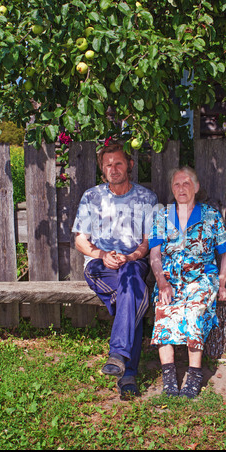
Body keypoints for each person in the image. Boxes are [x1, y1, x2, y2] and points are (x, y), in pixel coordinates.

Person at [72, 139, 158, 398]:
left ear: (129, 164)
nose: (114, 168)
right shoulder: (92, 197)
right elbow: (79, 240)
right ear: (103, 170)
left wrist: (132, 256)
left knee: (130, 284)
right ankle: (128, 372)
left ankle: (120, 360)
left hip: (133, 262)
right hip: (100, 266)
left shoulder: (147, 198)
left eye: (119, 163)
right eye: (108, 165)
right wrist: (102, 255)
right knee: (132, 295)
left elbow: (148, 241)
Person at [149, 166, 226, 399]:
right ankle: (169, 378)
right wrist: (162, 282)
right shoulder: (162, 215)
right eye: (176, 184)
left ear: (196, 187)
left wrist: (222, 281)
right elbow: (155, 255)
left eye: (186, 183)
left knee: (194, 313)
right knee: (163, 310)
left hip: (202, 279)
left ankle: (194, 375)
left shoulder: (210, 215)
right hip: (171, 280)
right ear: (172, 189)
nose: (181, 188)